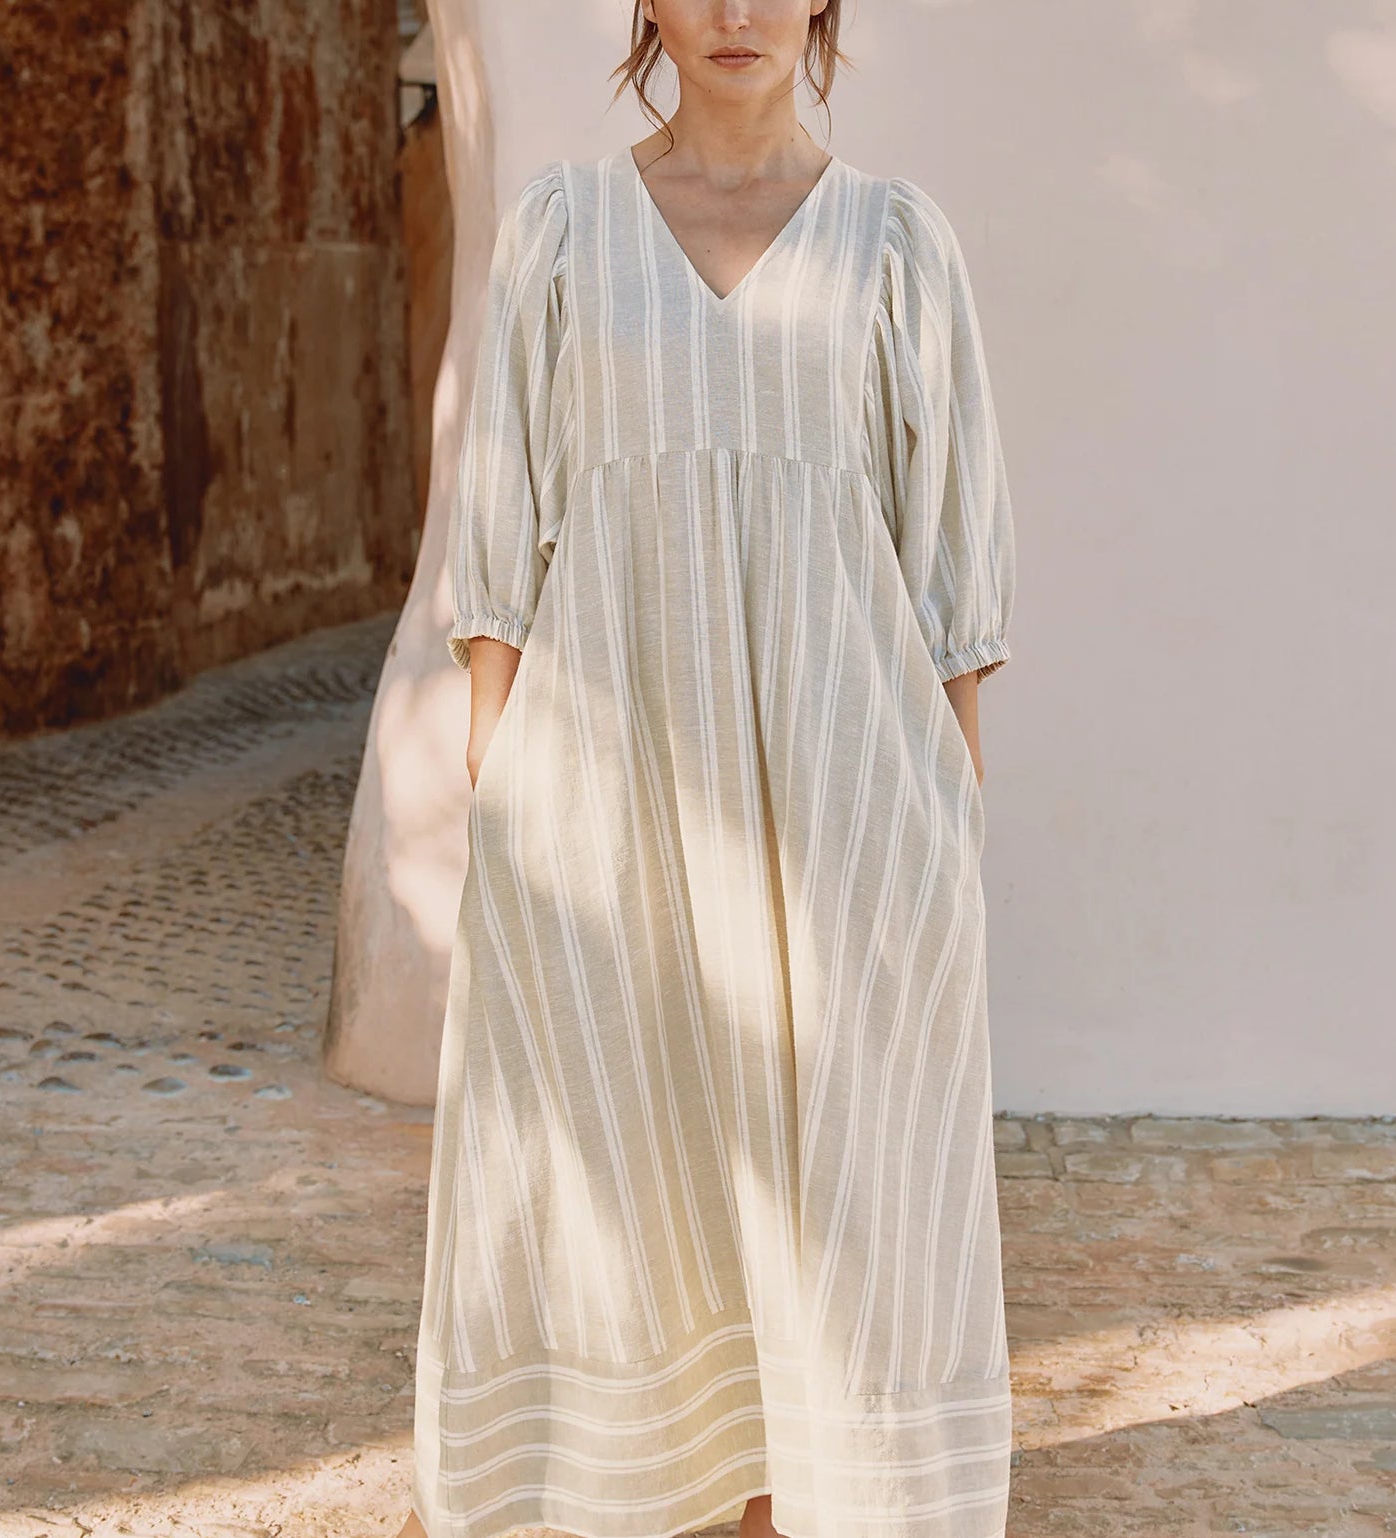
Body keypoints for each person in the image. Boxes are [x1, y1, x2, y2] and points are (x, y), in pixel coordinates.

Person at [402, 2, 1017, 1535]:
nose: (736, 14)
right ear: (647, 8)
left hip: (847, 810)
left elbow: (954, 575)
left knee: (847, 1196)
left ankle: (821, 1490)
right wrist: (501, 794)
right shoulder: (563, 230)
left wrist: (950, 824)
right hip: (604, 820)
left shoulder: (895, 242)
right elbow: (502, 538)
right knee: (628, 1178)